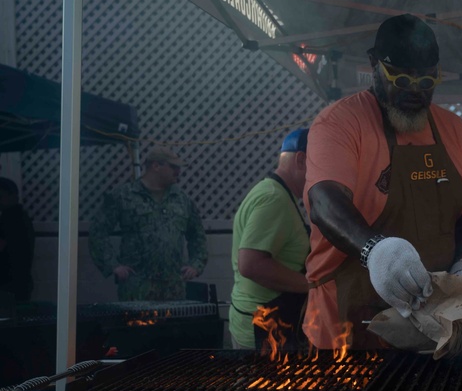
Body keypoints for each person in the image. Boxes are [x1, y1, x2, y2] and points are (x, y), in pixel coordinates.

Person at [303, 13, 462, 349]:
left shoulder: (454, 130)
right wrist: (375, 250)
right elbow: (324, 200)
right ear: (374, 65)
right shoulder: (339, 123)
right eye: (401, 80)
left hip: (436, 330)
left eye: (426, 81)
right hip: (348, 328)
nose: (415, 92)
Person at [229, 128, 312, 351]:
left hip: (267, 323)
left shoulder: (276, 193)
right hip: (261, 329)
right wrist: (312, 286)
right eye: (320, 163)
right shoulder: (274, 199)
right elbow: (251, 264)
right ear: (301, 159)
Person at [89, 146, 208, 301]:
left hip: (173, 289)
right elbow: (98, 232)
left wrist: (195, 264)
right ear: (155, 166)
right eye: (173, 166)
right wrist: (113, 265)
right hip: (137, 288)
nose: (178, 172)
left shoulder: (181, 199)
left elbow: (197, 235)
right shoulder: (124, 196)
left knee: (174, 326)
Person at [0, 177, 35, 302]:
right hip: (19, 283)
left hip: (10, 285)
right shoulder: (20, 216)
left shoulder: (11, 218)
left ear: (12, 195)